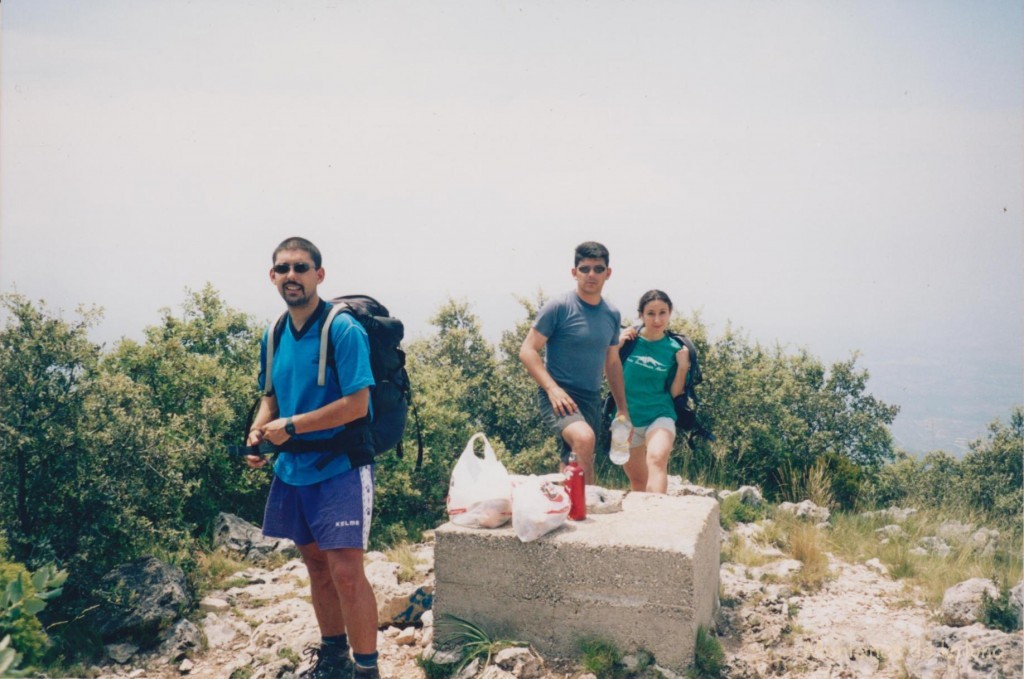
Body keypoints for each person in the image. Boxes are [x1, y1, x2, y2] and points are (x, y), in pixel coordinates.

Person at [246, 237, 380, 679]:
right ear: (272, 276)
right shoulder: (275, 333)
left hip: (340, 465)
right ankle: (334, 658)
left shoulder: (342, 329)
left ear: (319, 275)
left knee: (345, 571)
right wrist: (258, 431)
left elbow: (358, 404)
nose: (291, 276)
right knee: (317, 567)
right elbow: (270, 396)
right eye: (282, 269)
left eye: (301, 268)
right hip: (293, 469)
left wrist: (293, 425)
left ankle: (367, 669)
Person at [519, 241, 630, 484]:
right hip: (560, 395)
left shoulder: (611, 313)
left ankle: (567, 508)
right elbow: (527, 350)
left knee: (574, 456)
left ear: (608, 273)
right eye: (584, 268)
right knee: (584, 439)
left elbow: (612, 363)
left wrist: (622, 409)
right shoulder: (559, 307)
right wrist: (552, 389)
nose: (591, 275)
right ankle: (586, 508)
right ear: (574, 272)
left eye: (598, 269)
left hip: (591, 397)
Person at [617, 290, 690, 494]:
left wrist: (683, 367)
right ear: (641, 315)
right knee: (638, 482)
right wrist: (616, 346)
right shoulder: (627, 342)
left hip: (660, 415)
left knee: (657, 459)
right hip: (626, 418)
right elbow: (606, 375)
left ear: (670, 313)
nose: (657, 319)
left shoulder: (675, 349)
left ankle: (658, 518)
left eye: (662, 312)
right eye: (650, 313)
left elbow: (675, 392)